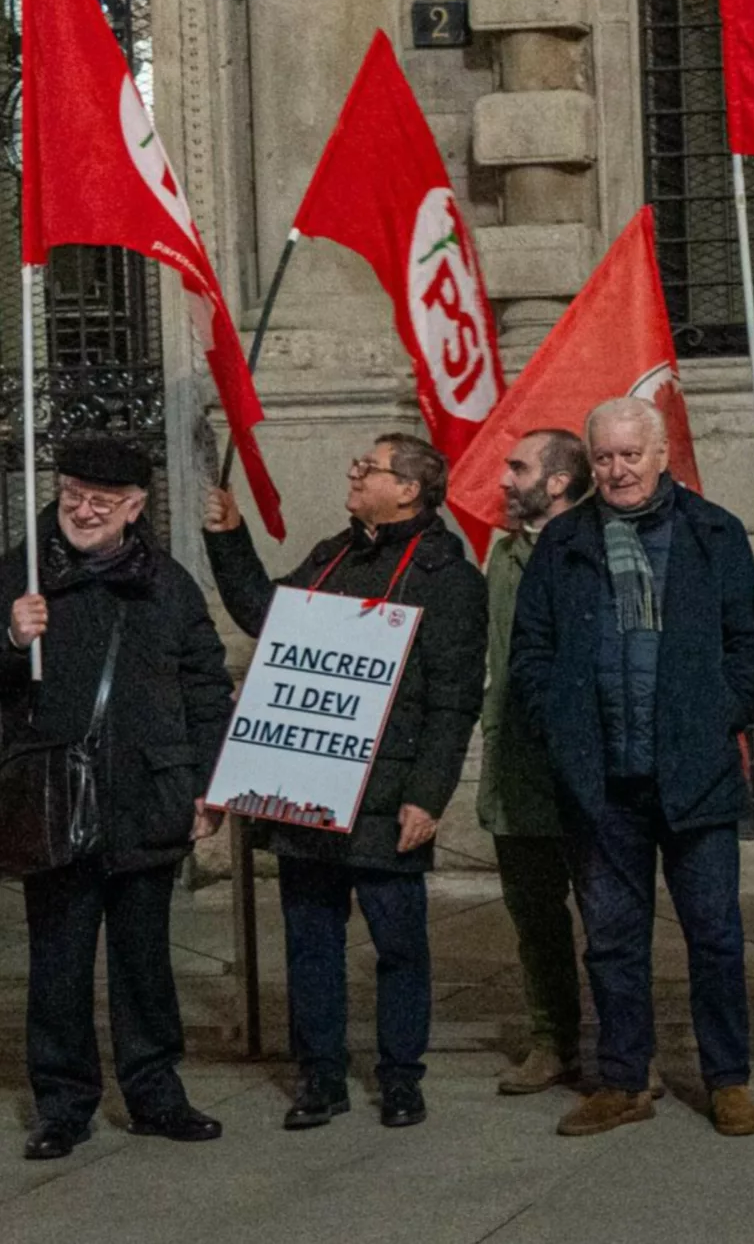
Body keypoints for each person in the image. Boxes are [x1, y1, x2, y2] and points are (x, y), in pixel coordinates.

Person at [509, 397, 754, 1139]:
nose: (618, 470)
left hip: (695, 774)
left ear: (661, 455)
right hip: (600, 781)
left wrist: (722, 710)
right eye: (604, 457)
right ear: (589, 463)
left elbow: (752, 644)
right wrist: (559, 720)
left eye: (631, 454)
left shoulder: (714, 532)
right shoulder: (562, 541)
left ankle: (728, 1079)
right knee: (613, 938)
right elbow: (531, 649)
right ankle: (624, 1077)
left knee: (715, 934)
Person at [206, 435, 485, 1132]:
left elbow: (454, 698)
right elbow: (267, 618)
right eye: (356, 461)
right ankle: (320, 1074)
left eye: (371, 467)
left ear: (411, 490)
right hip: (311, 784)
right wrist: (231, 539)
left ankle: (400, 1077)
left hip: (388, 796)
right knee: (310, 942)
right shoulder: (334, 554)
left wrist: (429, 793)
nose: (354, 471)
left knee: (398, 943)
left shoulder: (447, 576)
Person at [5, 440, 230, 1159]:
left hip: (148, 793)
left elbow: (205, 686)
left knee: (144, 959)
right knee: (59, 962)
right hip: (53, 798)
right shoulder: (22, 571)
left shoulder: (168, 582)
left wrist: (210, 780)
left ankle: (155, 1090)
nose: (83, 508)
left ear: (136, 506)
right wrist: (9, 638)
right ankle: (64, 1102)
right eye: (73, 491)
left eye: (103, 498)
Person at [479, 429, 592, 1096]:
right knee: (535, 918)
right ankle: (552, 1039)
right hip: (519, 766)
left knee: (612, 915)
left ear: (555, 481)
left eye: (517, 466)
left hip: (589, 766)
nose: (503, 477)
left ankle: (631, 1045)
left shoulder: (600, 543)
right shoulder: (503, 558)